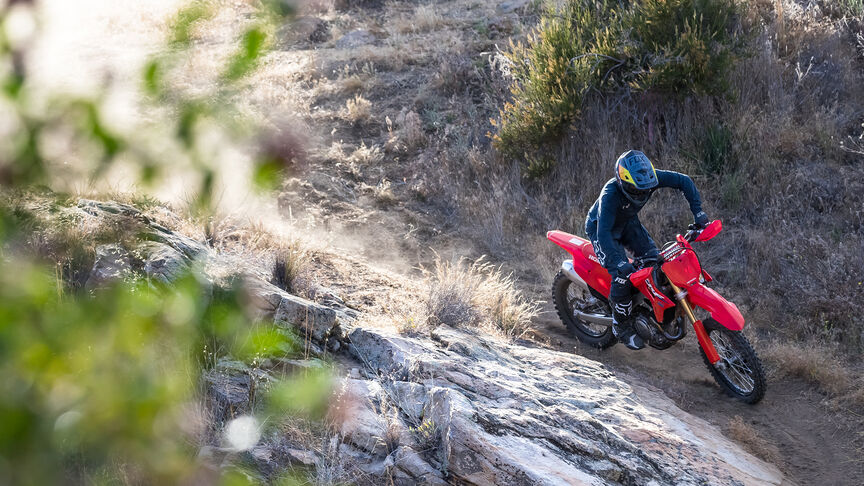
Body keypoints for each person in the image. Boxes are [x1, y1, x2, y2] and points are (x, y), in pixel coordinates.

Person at [585, 150, 708, 350]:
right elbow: (604, 233)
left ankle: (651, 311)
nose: (642, 194)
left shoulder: (648, 178)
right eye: (636, 190)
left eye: (646, 189)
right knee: (622, 276)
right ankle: (620, 325)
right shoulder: (610, 195)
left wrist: (699, 213)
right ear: (623, 182)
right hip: (601, 229)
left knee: (656, 263)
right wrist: (619, 263)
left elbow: (684, 181)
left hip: (628, 222)